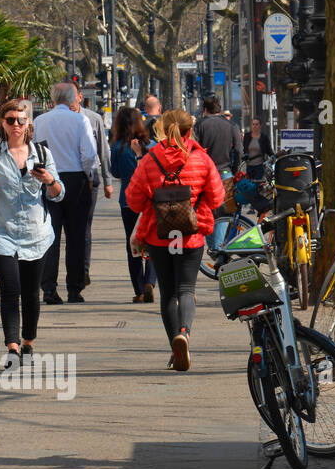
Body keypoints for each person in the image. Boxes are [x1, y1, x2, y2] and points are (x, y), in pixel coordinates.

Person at [125, 109, 224, 371]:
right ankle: (185, 334)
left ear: (161, 129)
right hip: (191, 234)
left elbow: (133, 201)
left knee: (168, 293)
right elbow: (217, 198)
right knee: (187, 290)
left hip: (159, 235)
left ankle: (175, 347)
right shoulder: (201, 159)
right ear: (189, 131)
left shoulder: (149, 160)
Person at [0, 101, 64, 369]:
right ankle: (12, 346)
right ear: (1, 122)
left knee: (31, 293)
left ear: (28, 124)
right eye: (10, 120)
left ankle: (28, 342)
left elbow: (59, 194)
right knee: (10, 289)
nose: (15, 125)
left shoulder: (42, 155)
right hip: (2, 232)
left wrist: (49, 181)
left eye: (20, 120)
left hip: (36, 234)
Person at [35, 81, 99, 304]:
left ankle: (49, 288)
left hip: (48, 178)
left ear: (53, 99)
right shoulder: (80, 119)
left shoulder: (40, 121)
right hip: (75, 179)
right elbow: (89, 154)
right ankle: (75, 287)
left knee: (50, 237)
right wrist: (89, 175)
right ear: (74, 99)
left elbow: (35, 153)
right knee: (77, 237)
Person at [109, 107, 157, 303]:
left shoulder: (118, 147)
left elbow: (115, 172)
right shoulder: (152, 145)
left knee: (132, 244)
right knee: (153, 241)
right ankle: (150, 281)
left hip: (128, 201)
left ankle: (138, 290)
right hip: (150, 201)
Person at [75, 86, 112, 290]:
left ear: (81, 97)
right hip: (62, 178)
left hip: (89, 177)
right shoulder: (52, 119)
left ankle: (83, 270)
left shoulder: (93, 118)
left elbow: (102, 152)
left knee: (84, 226)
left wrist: (107, 180)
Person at [192, 94, 241, 176]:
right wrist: (234, 169)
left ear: (205, 110)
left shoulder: (199, 125)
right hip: (225, 172)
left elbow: (194, 149)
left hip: (206, 173)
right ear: (219, 109)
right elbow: (238, 150)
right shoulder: (232, 125)